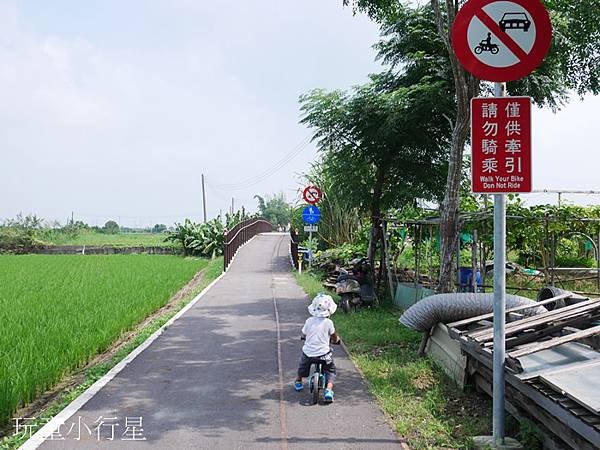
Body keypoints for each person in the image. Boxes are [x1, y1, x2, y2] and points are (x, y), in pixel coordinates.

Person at [293, 293, 340, 402]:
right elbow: (334, 336)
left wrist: (303, 337)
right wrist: (336, 341)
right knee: (331, 370)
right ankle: (328, 390)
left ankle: (299, 381)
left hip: (309, 354)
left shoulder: (309, 321)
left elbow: (304, 333)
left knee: (302, 366)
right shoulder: (329, 323)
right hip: (324, 355)